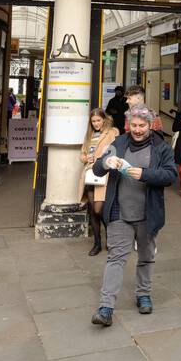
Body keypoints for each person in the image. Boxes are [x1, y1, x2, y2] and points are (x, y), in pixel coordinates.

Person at [90, 105, 178, 326]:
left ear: (150, 125)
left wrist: (146, 174)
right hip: (119, 210)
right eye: (134, 125)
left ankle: (143, 295)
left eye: (142, 125)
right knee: (116, 257)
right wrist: (106, 162)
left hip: (148, 213)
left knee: (146, 256)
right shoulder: (119, 143)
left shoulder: (160, 147)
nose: (138, 130)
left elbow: (170, 175)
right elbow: (98, 169)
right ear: (128, 125)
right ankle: (106, 307)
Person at [79, 108, 119, 257]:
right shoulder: (89, 134)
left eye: (98, 120)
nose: (96, 124)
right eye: (93, 121)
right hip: (90, 175)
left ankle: (110, 239)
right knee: (92, 211)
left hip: (103, 175)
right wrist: (85, 158)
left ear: (104, 119)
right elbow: (82, 153)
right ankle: (97, 243)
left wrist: (99, 158)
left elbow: (115, 151)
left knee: (99, 210)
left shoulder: (112, 132)